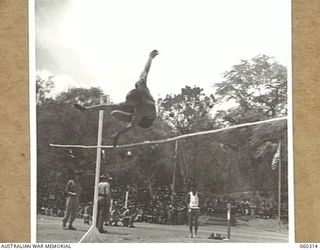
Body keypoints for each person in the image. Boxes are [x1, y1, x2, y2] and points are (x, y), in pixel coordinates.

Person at [74, 50, 159, 147]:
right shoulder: (141, 84)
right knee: (113, 107)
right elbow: (145, 71)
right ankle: (86, 109)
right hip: (137, 107)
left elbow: (132, 125)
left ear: (136, 103)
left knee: (115, 113)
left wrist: (118, 135)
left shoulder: (142, 110)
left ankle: (129, 118)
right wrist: (150, 58)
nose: (126, 103)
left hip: (146, 121)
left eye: (129, 102)